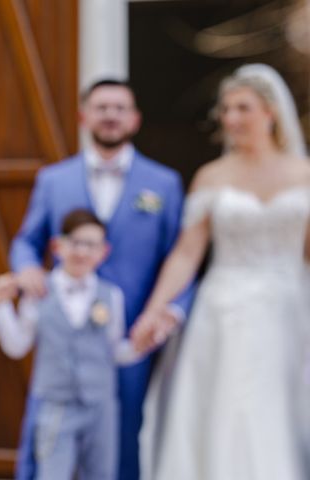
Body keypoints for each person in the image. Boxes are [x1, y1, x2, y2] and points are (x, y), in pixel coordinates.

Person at [132, 64, 310, 480]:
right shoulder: (212, 176)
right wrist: (154, 309)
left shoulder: (305, 175)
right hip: (225, 309)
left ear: (270, 113)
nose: (231, 119)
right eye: (226, 110)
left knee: (285, 406)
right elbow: (186, 253)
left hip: (290, 307)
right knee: (230, 403)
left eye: (242, 108)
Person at [10, 79, 194, 480]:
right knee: (45, 430)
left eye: (119, 108)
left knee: (123, 436)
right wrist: (26, 269)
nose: (110, 115)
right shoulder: (54, 180)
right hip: (62, 331)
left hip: (129, 336)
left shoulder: (163, 184)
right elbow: (27, 241)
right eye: (102, 107)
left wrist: (170, 313)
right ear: (84, 116)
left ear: (135, 118)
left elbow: (182, 258)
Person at [0, 209, 142, 480]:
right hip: (56, 404)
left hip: (100, 405)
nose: (82, 252)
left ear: (103, 252)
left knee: (101, 473)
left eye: (91, 245)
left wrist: (142, 344)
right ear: (57, 246)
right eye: (75, 242)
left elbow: (114, 350)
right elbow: (17, 346)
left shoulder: (111, 295)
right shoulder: (39, 291)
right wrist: (1, 306)